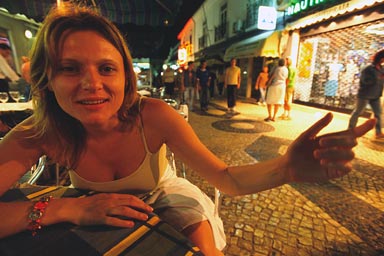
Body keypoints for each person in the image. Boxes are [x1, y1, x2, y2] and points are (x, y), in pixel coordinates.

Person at [0, 4, 376, 256]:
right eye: (70, 68)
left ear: (125, 75)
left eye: (106, 68)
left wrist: (286, 169)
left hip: (164, 194)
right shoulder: (40, 131)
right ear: (46, 79)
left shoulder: (153, 116)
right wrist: (68, 208)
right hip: (91, 209)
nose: (91, 83)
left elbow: (226, 179)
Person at [348, 49, 384, 139]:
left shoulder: (381, 69)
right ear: (380, 58)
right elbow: (364, 81)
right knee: (358, 112)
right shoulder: (368, 68)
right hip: (365, 94)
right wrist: (377, 79)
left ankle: (378, 132)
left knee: (378, 113)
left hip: (376, 95)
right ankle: (350, 130)